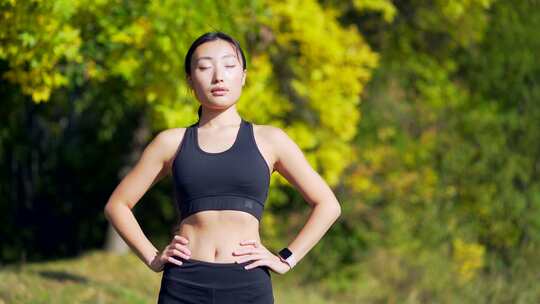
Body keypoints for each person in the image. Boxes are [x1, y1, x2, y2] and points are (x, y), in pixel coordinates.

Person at [103, 31, 342, 304]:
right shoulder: (170, 142)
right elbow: (118, 205)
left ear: (243, 76)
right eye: (204, 67)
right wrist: (153, 257)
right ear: (190, 81)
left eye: (229, 66)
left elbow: (328, 204)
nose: (218, 76)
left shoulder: (270, 140)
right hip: (183, 282)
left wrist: (286, 258)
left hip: (248, 282)